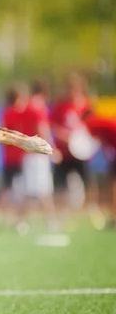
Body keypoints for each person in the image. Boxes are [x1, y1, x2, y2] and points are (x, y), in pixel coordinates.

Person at [50, 73, 104, 229]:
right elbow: (54, 127)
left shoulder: (86, 105)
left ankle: (92, 210)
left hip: (80, 154)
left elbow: (93, 126)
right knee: (60, 185)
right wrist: (66, 138)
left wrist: (83, 141)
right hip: (65, 153)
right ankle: (61, 215)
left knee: (89, 183)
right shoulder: (60, 106)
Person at [17, 79, 58, 233]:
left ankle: (21, 222)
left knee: (29, 190)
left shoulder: (26, 105)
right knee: (44, 190)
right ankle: (51, 221)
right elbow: (42, 129)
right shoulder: (39, 106)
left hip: (27, 153)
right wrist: (52, 149)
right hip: (38, 154)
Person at [0, 83, 28, 232]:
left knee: (6, 190)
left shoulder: (5, 112)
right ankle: (20, 220)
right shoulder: (21, 112)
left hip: (8, 158)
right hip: (20, 158)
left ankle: (3, 220)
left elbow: (2, 133)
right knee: (22, 190)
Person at [81, 111, 116, 229]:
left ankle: (114, 217)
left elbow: (95, 142)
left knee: (112, 186)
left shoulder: (92, 124)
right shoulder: (101, 122)